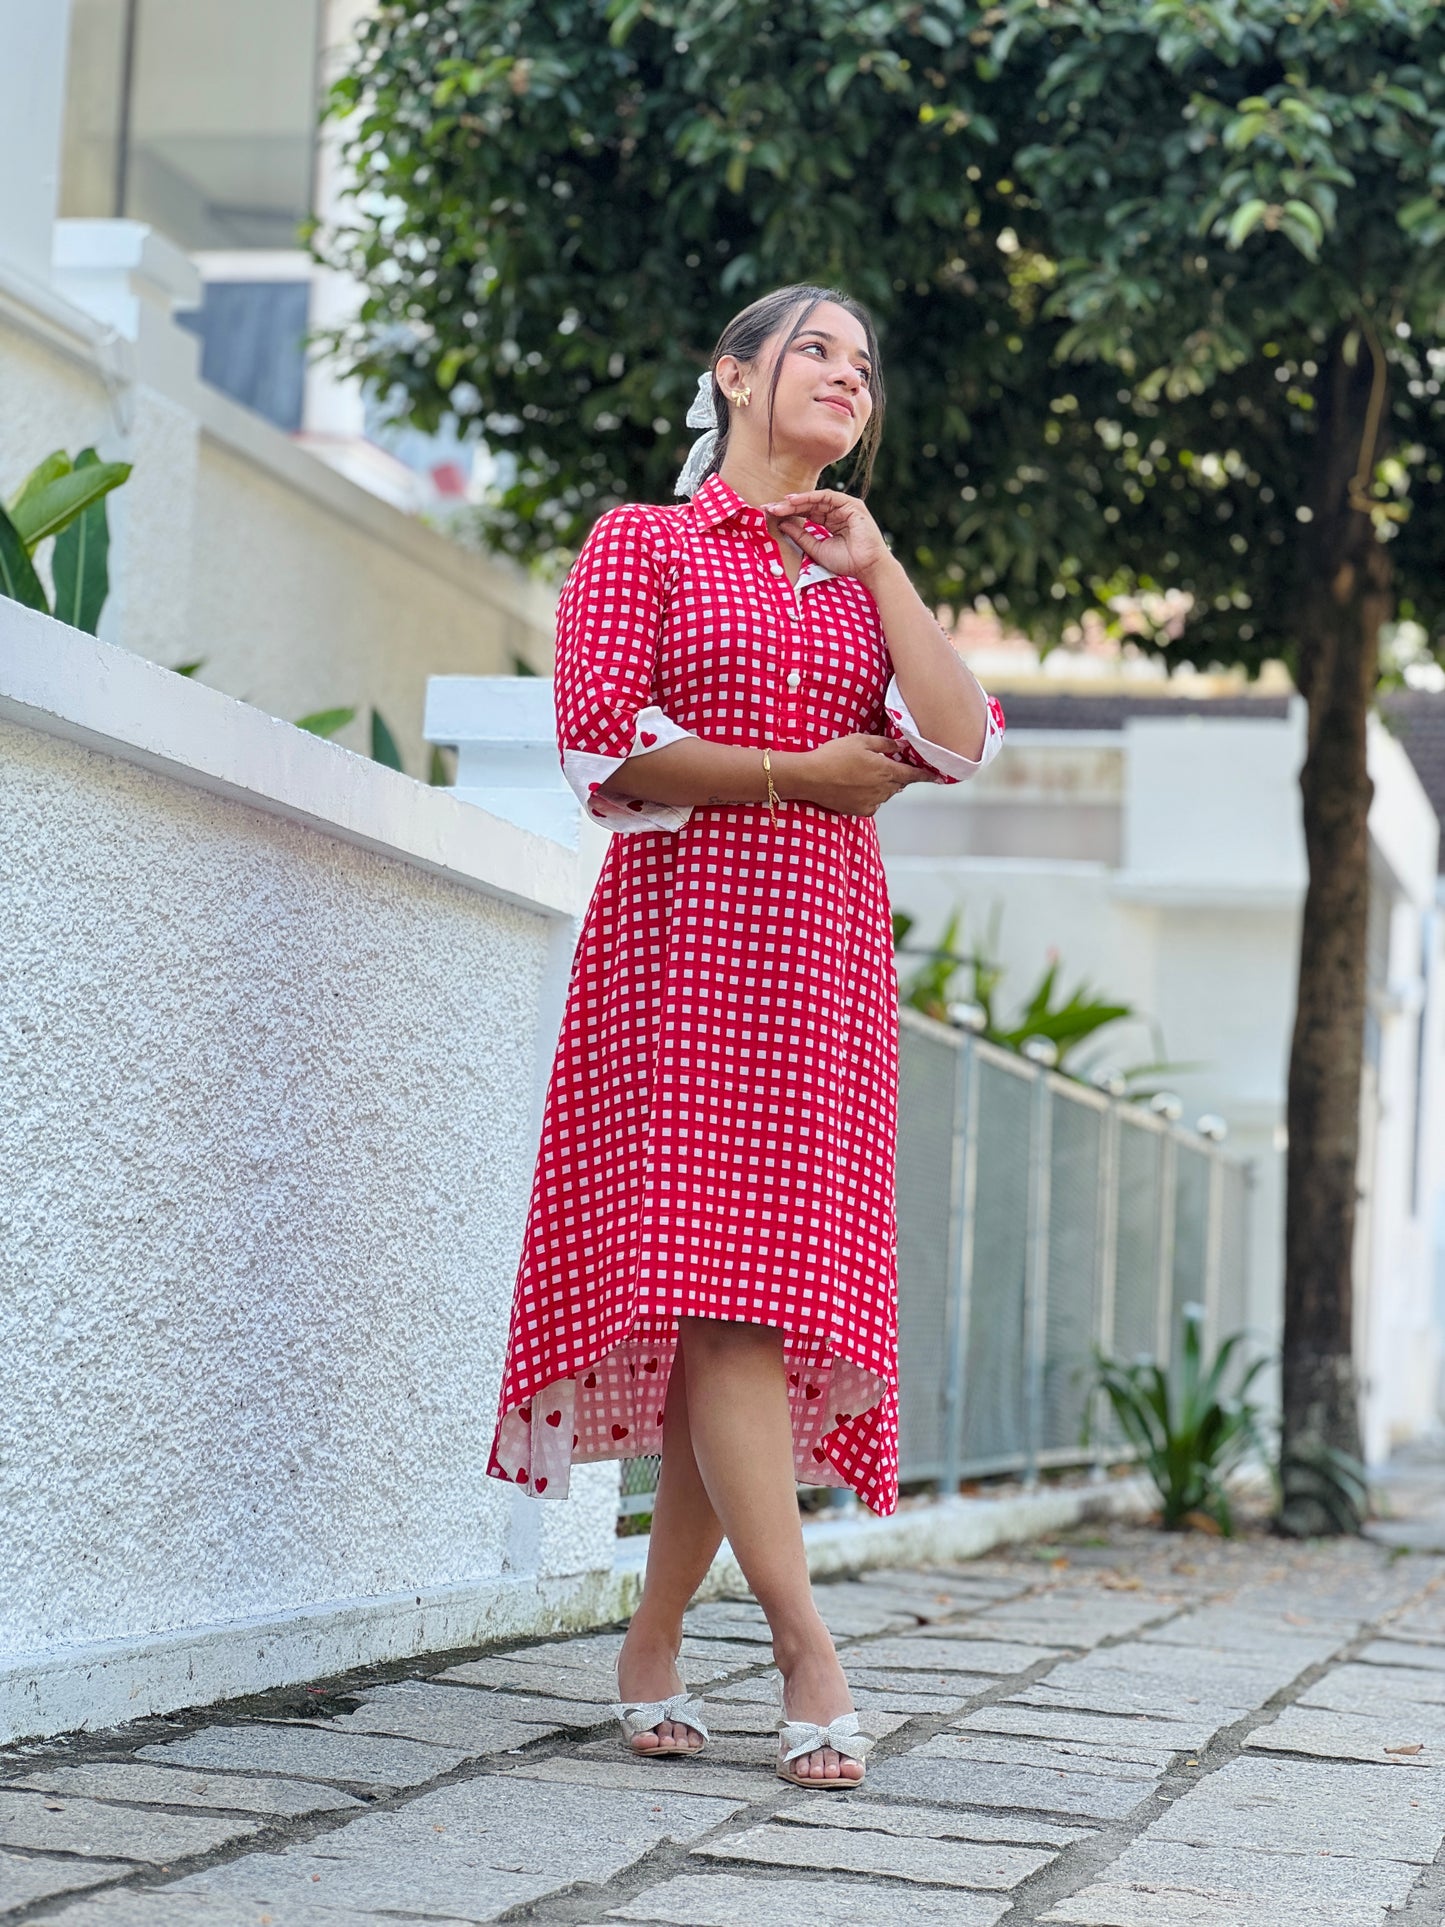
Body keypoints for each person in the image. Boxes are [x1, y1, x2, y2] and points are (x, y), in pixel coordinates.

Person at [487, 283, 1005, 1787]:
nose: (849, 376)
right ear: (732, 374)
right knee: (722, 1303)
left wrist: (880, 558)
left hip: (821, 966)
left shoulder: (855, 571)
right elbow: (601, 739)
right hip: (680, 947)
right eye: (814, 350)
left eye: (864, 361)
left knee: (756, 1319)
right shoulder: (638, 543)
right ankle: (802, 1644)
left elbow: (956, 741)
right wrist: (790, 775)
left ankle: (652, 1641)